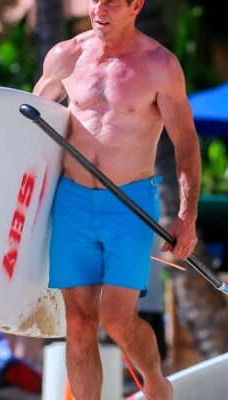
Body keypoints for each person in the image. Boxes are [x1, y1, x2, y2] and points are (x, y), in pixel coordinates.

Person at [33, 0, 200, 398]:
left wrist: (186, 216)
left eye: (111, 1)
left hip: (130, 205)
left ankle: (156, 382)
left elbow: (186, 142)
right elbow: (28, 119)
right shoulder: (66, 55)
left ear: (135, 6)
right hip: (71, 201)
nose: (99, 8)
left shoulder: (159, 65)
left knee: (117, 319)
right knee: (78, 324)